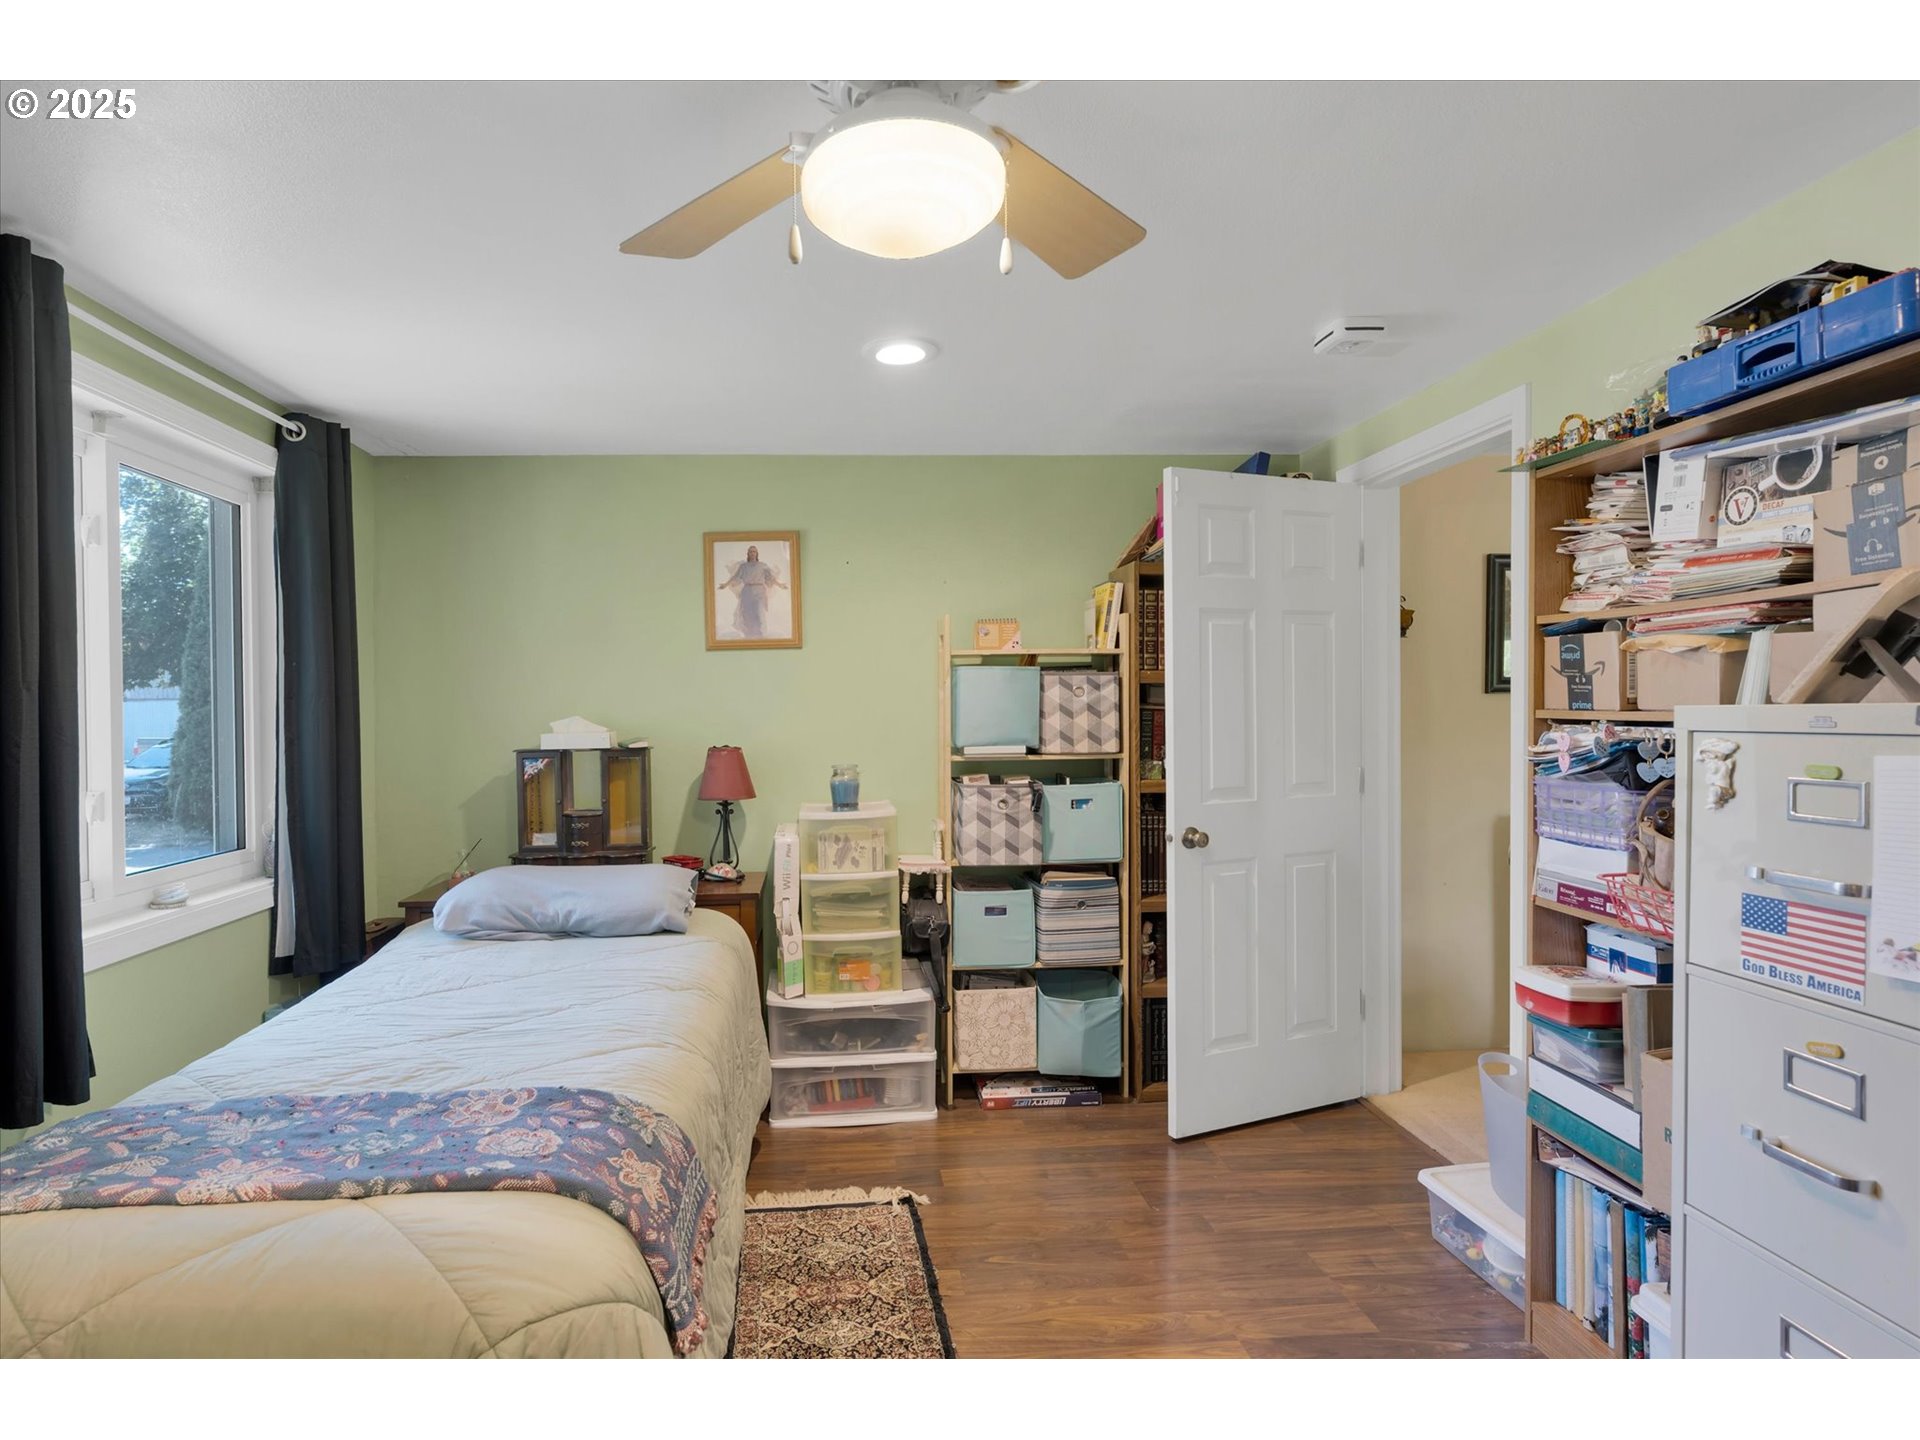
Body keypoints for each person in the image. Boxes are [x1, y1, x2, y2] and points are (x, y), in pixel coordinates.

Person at [717, 544, 787, 639]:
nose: (752, 553)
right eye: (751, 551)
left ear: (757, 554)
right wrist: (725, 585)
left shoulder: (762, 565)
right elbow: (735, 577)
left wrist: (780, 585)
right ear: (748, 553)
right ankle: (749, 637)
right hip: (747, 591)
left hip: (759, 592)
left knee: (758, 613)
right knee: (747, 614)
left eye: (754, 551)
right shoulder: (743, 566)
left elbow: (771, 578)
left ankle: (759, 636)